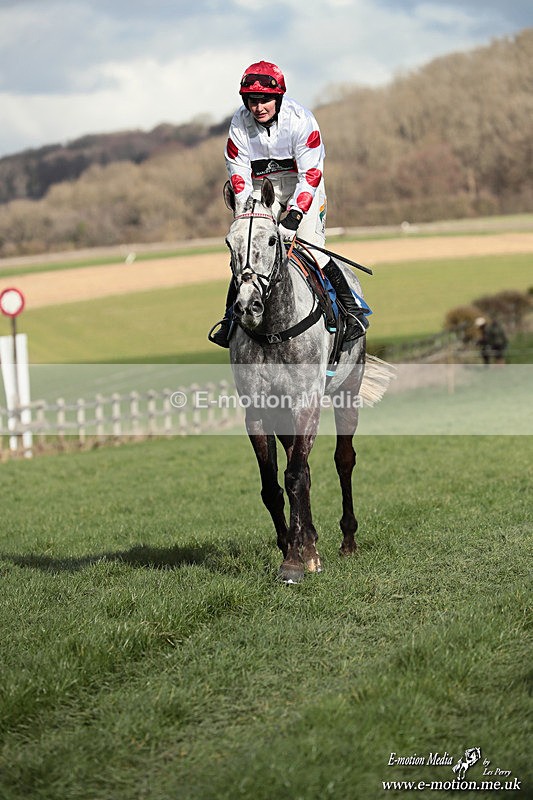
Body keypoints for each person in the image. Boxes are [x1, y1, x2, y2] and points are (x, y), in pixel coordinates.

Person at [210, 60, 368, 348]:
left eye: (265, 100)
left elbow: (311, 173)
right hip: (262, 191)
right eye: (252, 101)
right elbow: (239, 174)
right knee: (249, 254)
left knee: (311, 249)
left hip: (302, 187)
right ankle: (229, 320)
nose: (259, 108)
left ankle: (352, 311)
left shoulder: (301, 120)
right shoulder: (239, 125)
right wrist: (247, 211)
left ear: (278, 98)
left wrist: (293, 217)